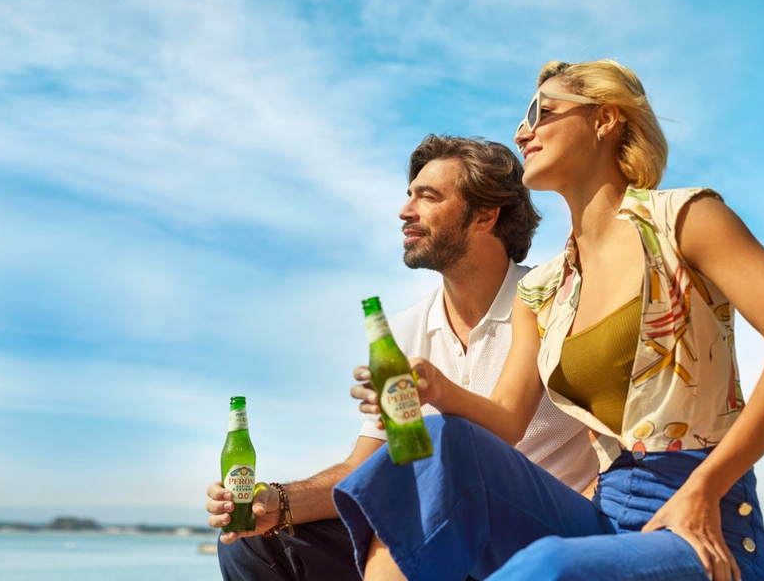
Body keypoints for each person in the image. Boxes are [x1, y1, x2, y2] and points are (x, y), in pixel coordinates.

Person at [334, 59, 764, 581]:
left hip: (701, 520)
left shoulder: (684, 220)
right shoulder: (545, 288)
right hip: (604, 514)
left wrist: (705, 489)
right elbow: (507, 420)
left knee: (549, 566)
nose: (521, 130)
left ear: (605, 120)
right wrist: (436, 387)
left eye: (541, 111)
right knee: (439, 441)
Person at [205, 134, 597, 580]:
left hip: (535, 537)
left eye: (427, 197)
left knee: (444, 439)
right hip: (433, 539)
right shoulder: (403, 332)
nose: (404, 211)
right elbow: (362, 468)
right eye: (409, 195)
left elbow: (615, 450)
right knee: (256, 545)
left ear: (486, 215)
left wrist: (579, 552)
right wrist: (279, 502)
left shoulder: (556, 304)